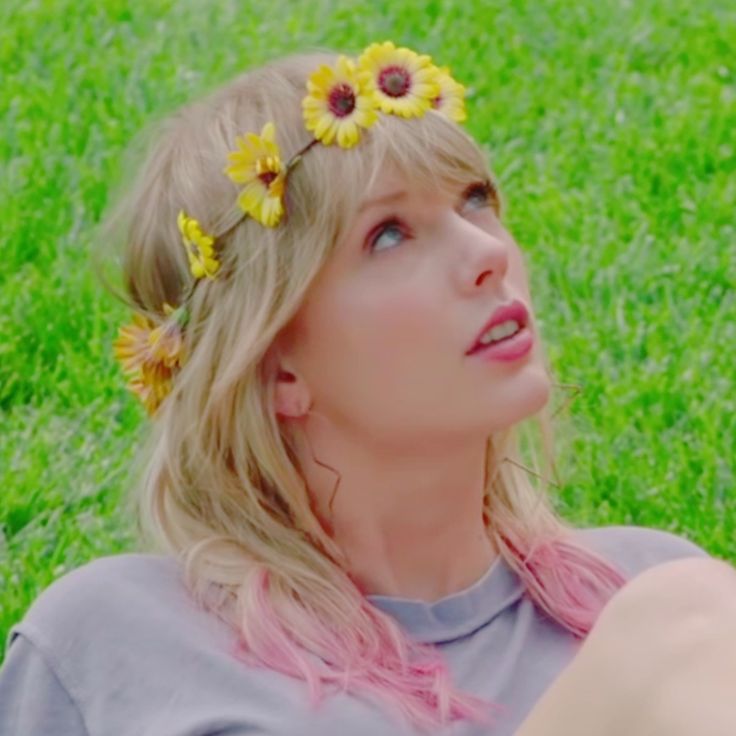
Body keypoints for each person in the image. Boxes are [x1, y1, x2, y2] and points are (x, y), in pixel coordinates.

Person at [0, 42, 733, 736]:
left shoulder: (644, 586)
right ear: (275, 367)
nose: (487, 252)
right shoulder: (114, 639)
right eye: (388, 235)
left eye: (474, 200)